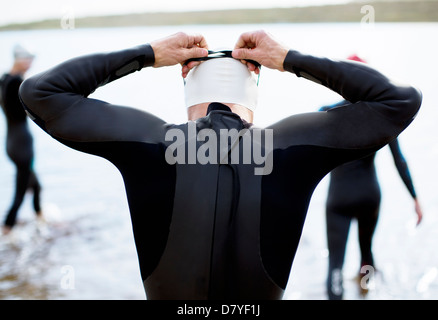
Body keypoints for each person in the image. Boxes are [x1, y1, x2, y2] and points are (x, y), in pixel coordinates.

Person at [18, 30, 422, 299]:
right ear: (253, 93)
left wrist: (149, 55)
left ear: (187, 88)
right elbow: (399, 101)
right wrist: (287, 59)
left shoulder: (148, 143)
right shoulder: (292, 147)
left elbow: (40, 92)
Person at [320, 54, 423, 300]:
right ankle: (365, 290)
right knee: (367, 255)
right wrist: (415, 197)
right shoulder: (382, 117)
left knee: (335, 265)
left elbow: (304, 157)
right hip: (369, 196)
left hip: (339, 200)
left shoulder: (327, 114)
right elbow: (399, 160)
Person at [1, 44, 43, 235]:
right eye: (28, 60)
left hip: (11, 143)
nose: (30, 64)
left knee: (36, 186)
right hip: (22, 145)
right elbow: (32, 109)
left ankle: (40, 219)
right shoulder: (17, 82)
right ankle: (7, 229)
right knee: (20, 193)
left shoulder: (4, 79)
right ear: (19, 59)